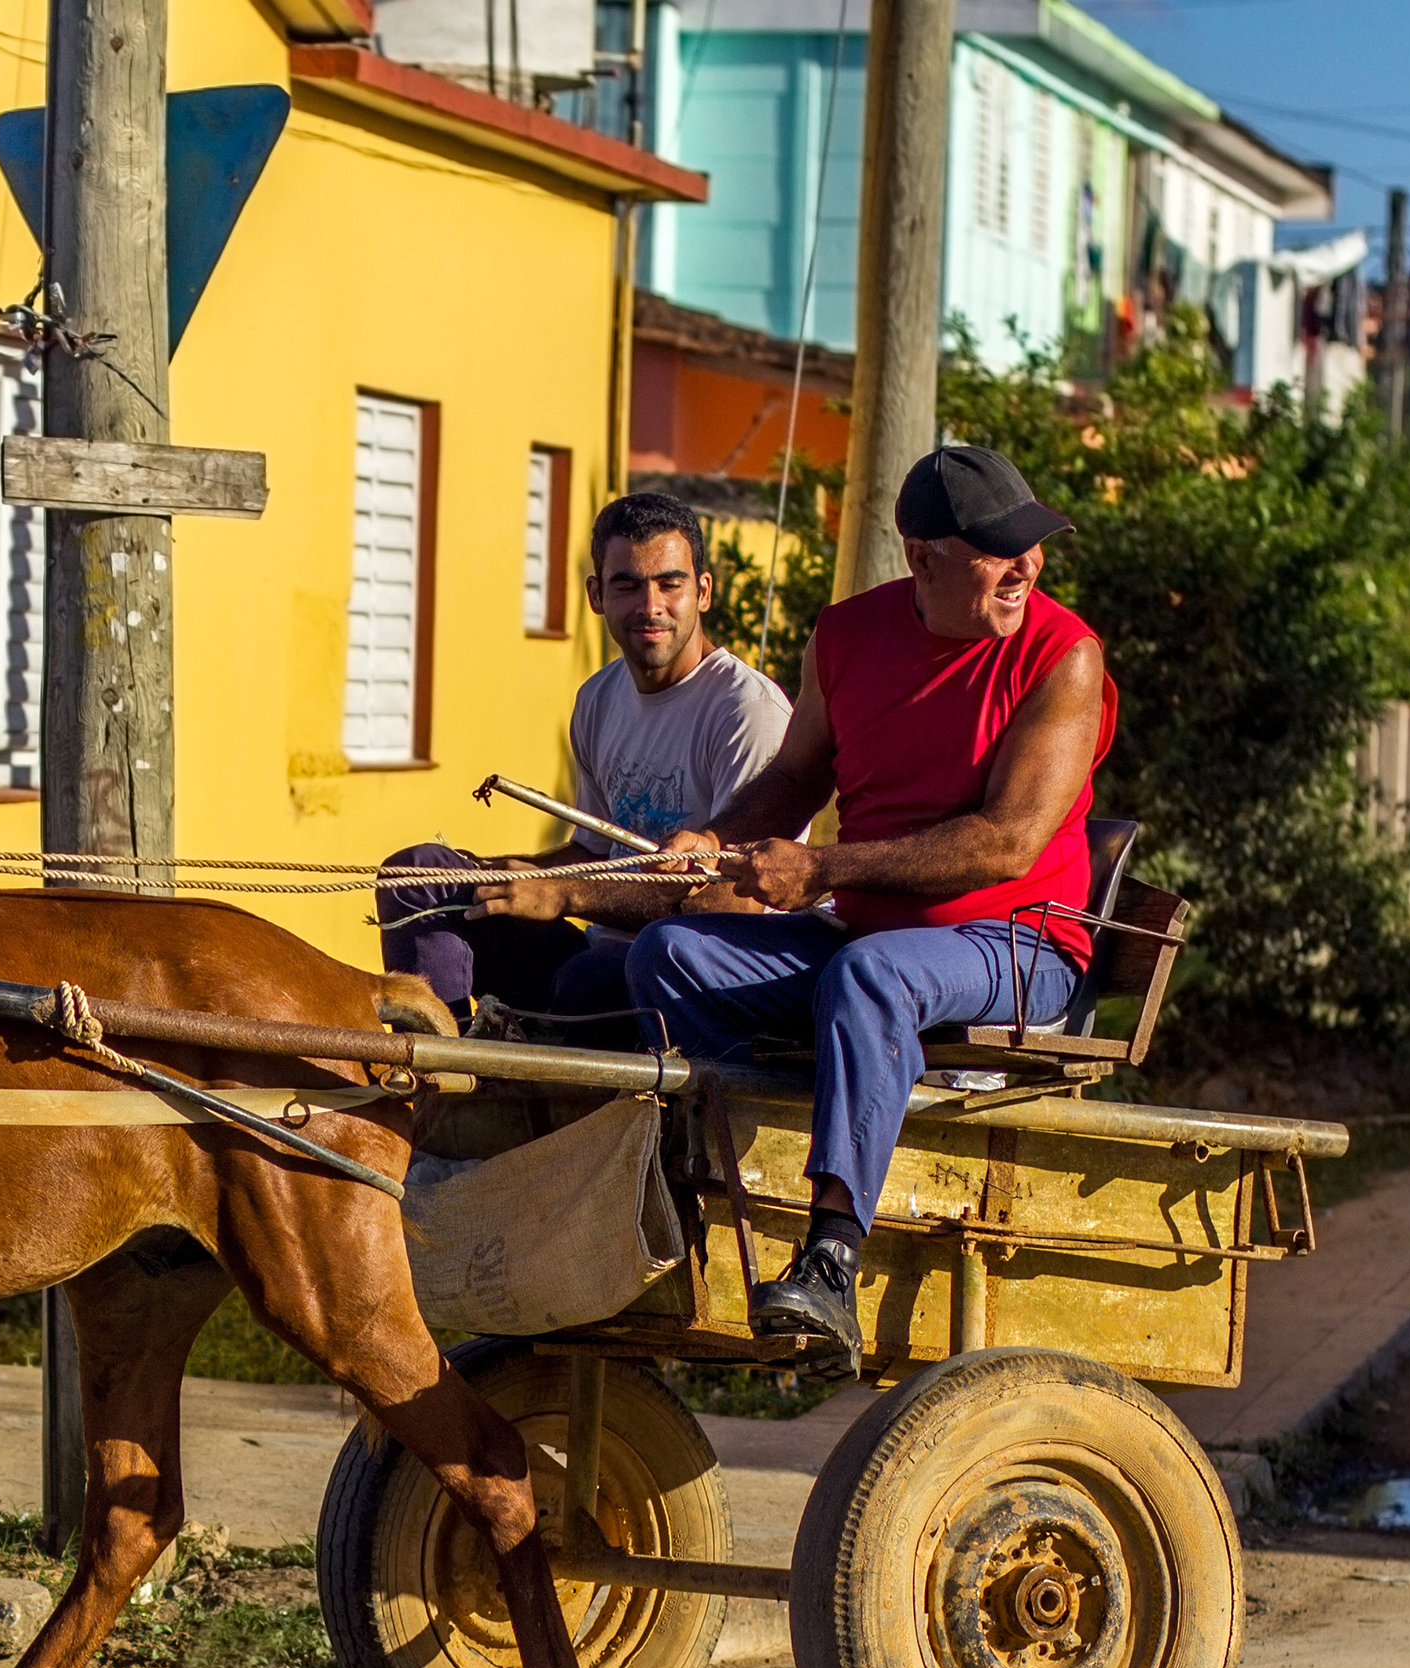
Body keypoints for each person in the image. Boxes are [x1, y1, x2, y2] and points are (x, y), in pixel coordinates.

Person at [626, 446, 1118, 1377]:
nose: (1028, 566)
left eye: (1033, 547)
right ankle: (731, 1191)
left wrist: (823, 868)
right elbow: (797, 777)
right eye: (999, 549)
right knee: (667, 953)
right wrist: (714, 841)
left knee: (869, 973)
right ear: (921, 557)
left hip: (1021, 943)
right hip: (877, 938)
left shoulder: (1066, 655)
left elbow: (1010, 842)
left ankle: (830, 1261)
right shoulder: (846, 636)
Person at [374, 490, 793, 1041]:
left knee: (587, 978)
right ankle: (441, 1074)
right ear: (597, 595)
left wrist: (564, 894)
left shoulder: (747, 711)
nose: (651, 606)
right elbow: (594, 852)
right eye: (627, 585)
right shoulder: (598, 698)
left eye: (671, 584)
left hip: (686, 977)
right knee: (417, 877)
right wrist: (505, 874)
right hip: (593, 954)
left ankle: (501, 1073)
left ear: (704, 592)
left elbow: (729, 906)